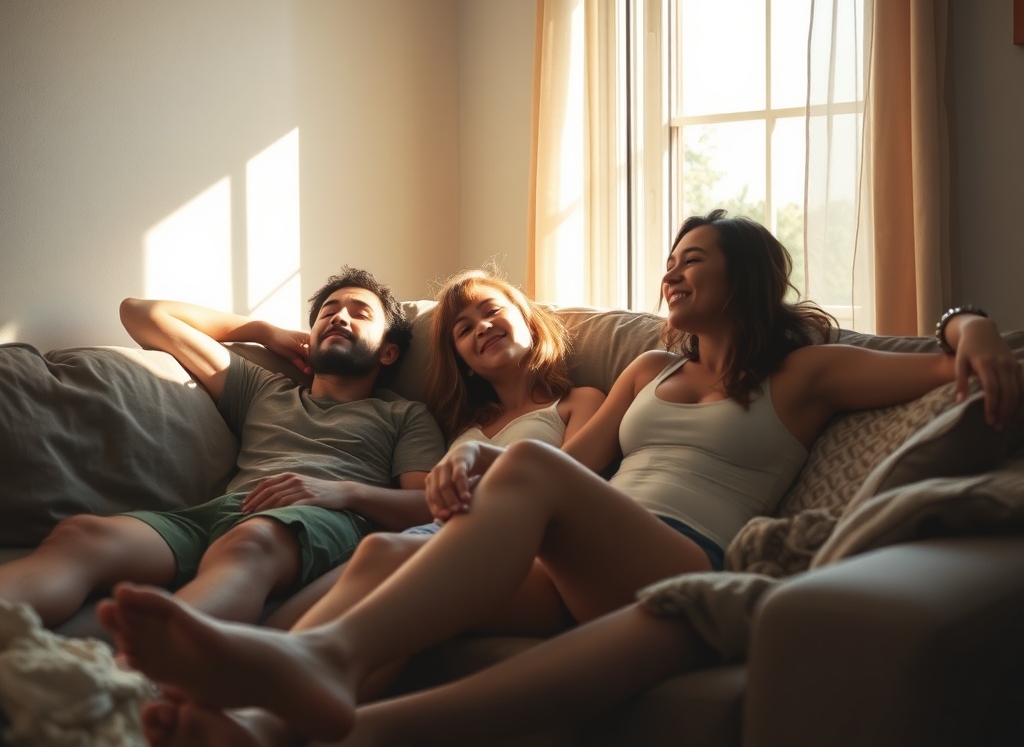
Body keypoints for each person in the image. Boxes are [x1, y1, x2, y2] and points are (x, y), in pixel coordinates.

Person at [97, 210, 1023, 747]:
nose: (671, 275)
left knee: (518, 471)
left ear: (745, 276)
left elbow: (944, 362)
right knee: (381, 555)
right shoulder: (648, 369)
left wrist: (971, 323)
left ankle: (321, 661)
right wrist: (475, 463)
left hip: (681, 552)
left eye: (692, 260)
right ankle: (258, 723)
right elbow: (573, 471)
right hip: (590, 558)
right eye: (670, 263)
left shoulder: (804, 371)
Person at [0, 266, 446, 628]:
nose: (339, 317)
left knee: (249, 543)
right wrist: (264, 331)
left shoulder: (404, 415)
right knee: (84, 535)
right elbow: (139, 313)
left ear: (388, 352)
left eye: (360, 313)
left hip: (320, 521)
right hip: (223, 513)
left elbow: (428, 507)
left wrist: (342, 492)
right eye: (328, 311)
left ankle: (131, 685)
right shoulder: (263, 390)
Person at [262, 267, 605, 632]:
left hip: (510, 544)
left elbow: (570, 482)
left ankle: (265, 652)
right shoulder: (461, 426)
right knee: (375, 556)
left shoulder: (577, 402)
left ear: (529, 321)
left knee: (388, 556)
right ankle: (258, 648)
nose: (482, 327)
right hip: (440, 536)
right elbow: (429, 501)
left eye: (491, 311)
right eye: (464, 330)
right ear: (464, 362)